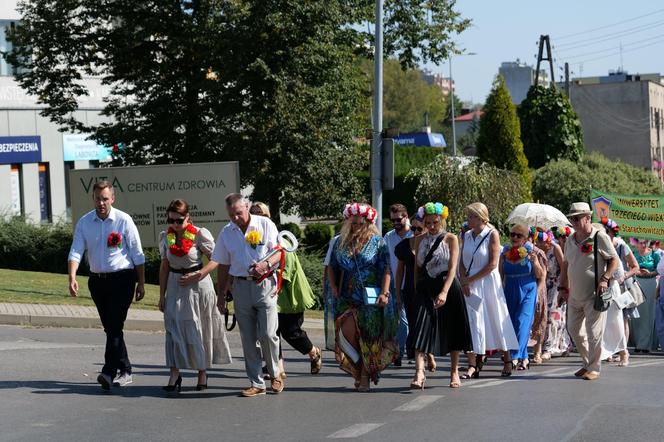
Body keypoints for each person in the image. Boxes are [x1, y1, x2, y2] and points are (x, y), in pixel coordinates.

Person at [190, 193, 284, 397]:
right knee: (248, 337)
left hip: (264, 285)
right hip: (240, 287)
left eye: (239, 213)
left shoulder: (265, 224)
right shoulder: (227, 232)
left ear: (247, 207)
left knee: (267, 334)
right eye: (231, 215)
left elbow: (279, 252)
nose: (235, 218)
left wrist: (266, 264)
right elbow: (223, 264)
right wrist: (221, 294)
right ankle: (257, 383)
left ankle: (275, 374)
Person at [68, 180, 145, 391]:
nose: (101, 203)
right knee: (111, 327)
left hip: (123, 279)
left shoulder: (123, 220)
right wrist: (72, 277)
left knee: (114, 325)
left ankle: (108, 372)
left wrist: (141, 284)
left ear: (112, 198)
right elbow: (76, 251)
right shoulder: (85, 223)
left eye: (105, 198)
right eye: (97, 198)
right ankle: (125, 369)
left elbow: (137, 253)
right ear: (93, 198)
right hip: (97, 282)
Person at [158, 199, 232, 392]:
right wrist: (161, 295)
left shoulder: (200, 234)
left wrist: (199, 274)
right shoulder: (166, 236)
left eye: (179, 220)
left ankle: (202, 373)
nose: (175, 224)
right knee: (173, 327)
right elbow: (164, 267)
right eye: (171, 219)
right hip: (175, 284)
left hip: (198, 284)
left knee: (200, 329)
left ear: (188, 217)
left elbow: (217, 259)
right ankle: (174, 373)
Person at [327, 202, 398, 391]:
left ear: (368, 223)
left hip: (371, 297)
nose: (355, 226)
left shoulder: (378, 243)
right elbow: (332, 266)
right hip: (346, 296)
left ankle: (365, 374)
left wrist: (384, 292)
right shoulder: (340, 241)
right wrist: (333, 286)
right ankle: (358, 368)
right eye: (352, 223)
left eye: (359, 223)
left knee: (368, 337)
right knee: (347, 335)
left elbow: (386, 269)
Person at [249, 202, 322, 379]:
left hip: (288, 296)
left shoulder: (280, 241)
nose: (256, 217)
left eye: (260, 214)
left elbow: (286, 271)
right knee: (271, 332)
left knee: (291, 333)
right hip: (269, 295)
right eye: (253, 214)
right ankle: (278, 368)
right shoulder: (254, 241)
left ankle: (313, 352)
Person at [410, 202, 473, 389]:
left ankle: (454, 372)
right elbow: (416, 268)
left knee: (452, 329)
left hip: (447, 285)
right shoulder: (419, 240)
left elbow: (453, 267)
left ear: (442, 220)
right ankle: (419, 372)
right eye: (427, 223)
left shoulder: (451, 239)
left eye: (435, 222)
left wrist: (444, 291)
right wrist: (416, 289)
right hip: (426, 286)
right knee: (420, 328)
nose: (431, 226)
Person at [559, 202, 618, 381]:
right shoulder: (570, 239)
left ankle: (594, 367)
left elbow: (614, 260)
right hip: (575, 295)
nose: (573, 222)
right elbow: (566, 265)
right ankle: (587, 363)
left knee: (594, 333)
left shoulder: (599, 237)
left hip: (594, 294)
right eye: (571, 219)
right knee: (574, 330)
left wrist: (605, 278)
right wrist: (562, 288)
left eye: (577, 218)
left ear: (587, 218)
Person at [459, 202, 518, 379]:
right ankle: (472, 364)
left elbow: (492, 264)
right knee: (471, 322)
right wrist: (463, 281)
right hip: (469, 283)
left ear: (480, 217)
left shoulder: (492, 234)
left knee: (496, 318)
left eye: (471, 216)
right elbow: (462, 260)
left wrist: (470, 279)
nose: (468, 219)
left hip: (487, 282)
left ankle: (507, 359)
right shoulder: (467, 235)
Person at [394, 213, 436, 372]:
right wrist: (398, 292)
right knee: (413, 326)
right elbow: (399, 272)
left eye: (420, 228)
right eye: (413, 228)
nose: (416, 231)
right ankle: (423, 356)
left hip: (428, 290)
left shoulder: (433, 244)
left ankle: (429, 353)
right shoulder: (404, 246)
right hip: (410, 291)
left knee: (427, 324)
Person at [500, 224, 544, 371]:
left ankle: (514, 356)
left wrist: (534, 262)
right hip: (510, 289)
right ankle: (525, 357)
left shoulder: (532, 252)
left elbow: (540, 275)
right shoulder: (505, 252)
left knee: (522, 322)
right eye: (512, 234)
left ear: (526, 238)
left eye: (519, 235)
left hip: (528, 289)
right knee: (512, 324)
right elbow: (500, 275)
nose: (514, 238)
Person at [598, 218, 636, 367]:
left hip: (613, 288)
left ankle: (623, 353)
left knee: (617, 321)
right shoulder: (598, 246)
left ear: (611, 232)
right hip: (600, 288)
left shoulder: (619, 246)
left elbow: (626, 269)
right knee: (602, 323)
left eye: (604, 231)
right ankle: (605, 352)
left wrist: (621, 278)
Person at [383, 203, 413, 365]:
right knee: (398, 320)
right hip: (394, 285)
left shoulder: (415, 234)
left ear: (406, 217)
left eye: (398, 220)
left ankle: (405, 350)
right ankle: (399, 353)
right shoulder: (388, 237)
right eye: (392, 220)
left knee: (406, 321)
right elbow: (386, 262)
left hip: (412, 284)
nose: (395, 223)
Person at [538, 229, 571, 360]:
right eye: (538, 241)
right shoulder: (538, 251)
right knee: (544, 316)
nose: (539, 244)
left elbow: (564, 266)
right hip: (543, 284)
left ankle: (549, 347)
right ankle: (563, 345)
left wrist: (565, 285)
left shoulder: (555, 248)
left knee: (554, 316)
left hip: (556, 284)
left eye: (542, 241)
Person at [631, 238, 661, 352]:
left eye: (645, 242)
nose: (643, 245)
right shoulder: (633, 253)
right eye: (640, 242)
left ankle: (646, 345)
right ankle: (638, 343)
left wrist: (651, 273)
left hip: (651, 283)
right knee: (638, 313)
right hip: (637, 283)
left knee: (648, 314)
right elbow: (630, 267)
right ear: (636, 243)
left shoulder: (655, 254)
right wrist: (636, 271)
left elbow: (659, 270)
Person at [528, 228, 549, 364]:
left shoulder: (539, 253)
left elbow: (543, 275)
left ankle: (538, 351)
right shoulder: (517, 251)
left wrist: (538, 292)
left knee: (539, 318)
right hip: (524, 288)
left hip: (537, 288)